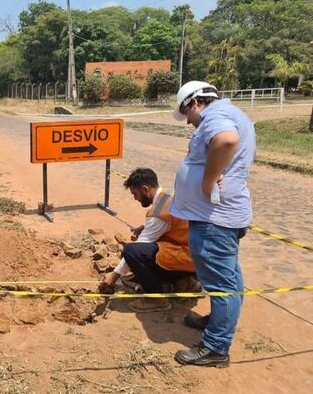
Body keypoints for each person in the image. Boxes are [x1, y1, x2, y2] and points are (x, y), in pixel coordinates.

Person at [170, 81, 256, 368]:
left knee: (221, 284)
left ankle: (216, 347)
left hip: (213, 220)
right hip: (223, 216)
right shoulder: (234, 113)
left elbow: (227, 140)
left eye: (188, 116)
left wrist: (207, 181)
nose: (190, 123)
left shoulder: (214, 117)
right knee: (229, 277)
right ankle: (219, 322)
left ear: (194, 103)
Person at [100, 168, 200, 312]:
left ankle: (156, 299)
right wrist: (144, 229)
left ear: (145, 189)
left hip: (187, 259)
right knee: (140, 251)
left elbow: (141, 246)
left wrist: (114, 275)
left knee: (131, 252)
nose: (135, 198)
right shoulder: (169, 194)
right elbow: (173, 228)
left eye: (135, 194)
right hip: (194, 255)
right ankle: (184, 283)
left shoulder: (158, 212)